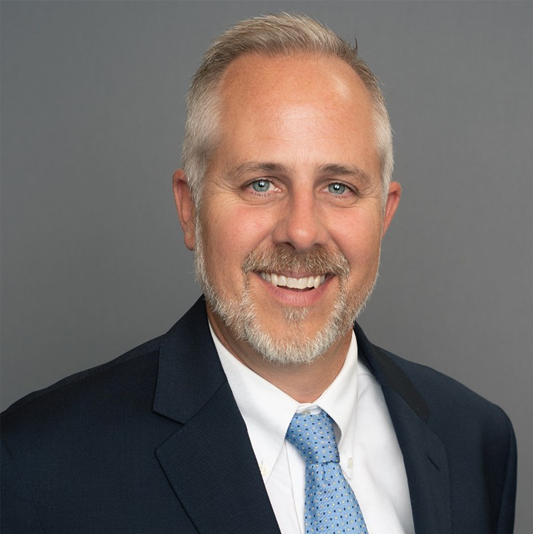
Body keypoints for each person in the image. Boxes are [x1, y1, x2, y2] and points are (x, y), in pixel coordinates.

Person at [1, 13, 516, 534]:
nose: (301, 231)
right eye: (261, 184)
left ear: (384, 214)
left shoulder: (475, 441)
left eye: (339, 187)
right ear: (189, 209)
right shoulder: (38, 462)